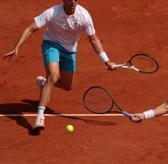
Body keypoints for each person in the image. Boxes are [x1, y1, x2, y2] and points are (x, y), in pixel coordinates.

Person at [3, 0, 116, 132]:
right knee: (54, 76)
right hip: (52, 45)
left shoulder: (84, 15)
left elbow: (93, 38)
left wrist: (106, 60)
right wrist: (17, 47)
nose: (73, 2)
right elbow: (31, 28)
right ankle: (39, 117)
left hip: (70, 50)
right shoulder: (52, 12)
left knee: (66, 86)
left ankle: (45, 84)